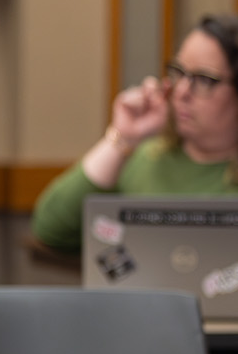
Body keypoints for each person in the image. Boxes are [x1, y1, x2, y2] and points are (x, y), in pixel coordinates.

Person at [32, 13, 238, 253]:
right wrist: (123, 138)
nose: (182, 91)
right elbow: (50, 228)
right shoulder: (145, 159)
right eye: (179, 73)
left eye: (203, 79)